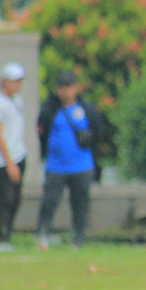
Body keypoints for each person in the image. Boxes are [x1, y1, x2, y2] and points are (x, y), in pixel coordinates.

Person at [36, 70, 103, 250]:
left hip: (81, 166)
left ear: (75, 88)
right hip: (56, 167)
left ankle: (78, 240)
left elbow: (97, 132)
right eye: (62, 87)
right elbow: (42, 133)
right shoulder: (49, 110)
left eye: (69, 87)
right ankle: (43, 236)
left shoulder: (86, 109)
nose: (65, 92)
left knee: (80, 204)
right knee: (49, 202)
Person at [0, 62, 28, 251]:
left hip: (19, 155)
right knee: (6, 198)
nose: (17, 85)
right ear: (5, 81)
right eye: (14, 81)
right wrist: (9, 162)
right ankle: (0, 237)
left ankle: (8, 234)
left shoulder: (17, 101)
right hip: (3, 159)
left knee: (16, 198)